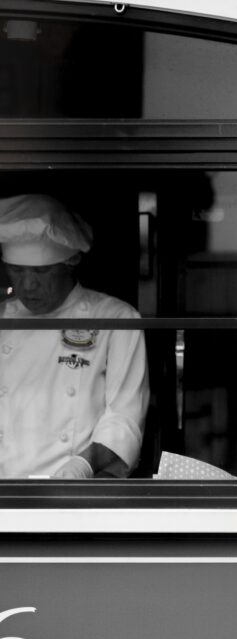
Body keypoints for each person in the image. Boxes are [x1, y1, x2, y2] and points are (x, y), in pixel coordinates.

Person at [0, 194, 149, 479]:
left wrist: (82, 466)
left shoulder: (115, 319)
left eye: (42, 271)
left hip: (74, 492)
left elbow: (124, 416)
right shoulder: (1, 320)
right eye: (16, 271)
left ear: (69, 263)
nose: (27, 284)